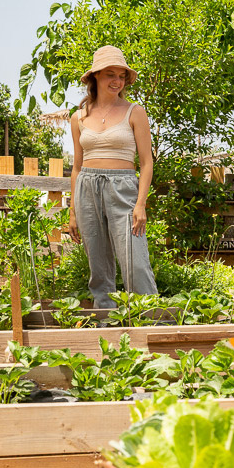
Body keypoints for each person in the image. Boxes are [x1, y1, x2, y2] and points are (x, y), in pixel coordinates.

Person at [69, 45, 158, 308]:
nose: (117, 81)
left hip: (123, 188)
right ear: (95, 76)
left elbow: (146, 162)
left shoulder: (135, 111)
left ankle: (149, 321)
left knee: (135, 262)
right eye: (110, 74)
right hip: (87, 188)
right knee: (98, 266)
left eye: (121, 75)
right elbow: (76, 166)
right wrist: (73, 211)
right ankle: (106, 325)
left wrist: (140, 203)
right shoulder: (79, 117)